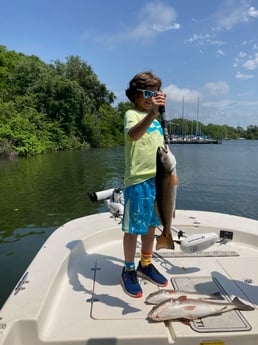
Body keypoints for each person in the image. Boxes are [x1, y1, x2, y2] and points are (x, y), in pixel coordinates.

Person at [121, 71, 168, 298]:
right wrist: (151, 113)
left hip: (158, 181)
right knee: (133, 229)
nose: (153, 97)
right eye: (148, 92)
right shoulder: (132, 114)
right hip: (138, 181)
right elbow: (134, 135)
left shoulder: (158, 122)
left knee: (151, 226)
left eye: (156, 92)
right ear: (135, 94)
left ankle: (146, 264)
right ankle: (128, 269)